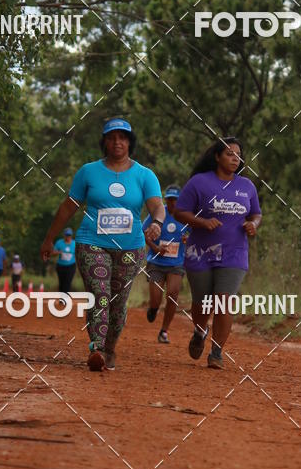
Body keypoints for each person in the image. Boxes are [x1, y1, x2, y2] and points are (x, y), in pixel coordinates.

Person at [40, 116, 165, 372]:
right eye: (111, 138)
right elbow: (68, 207)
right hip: (91, 242)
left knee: (118, 303)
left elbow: (156, 206)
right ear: (104, 143)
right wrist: (49, 237)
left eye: (122, 137)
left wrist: (157, 223)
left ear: (130, 142)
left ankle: (110, 349)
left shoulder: (144, 175)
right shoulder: (88, 172)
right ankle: (96, 348)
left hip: (130, 247)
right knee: (100, 295)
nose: (117, 142)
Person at [174, 137, 262, 370]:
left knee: (224, 301)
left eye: (238, 154)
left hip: (234, 252)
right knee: (202, 303)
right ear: (217, 156)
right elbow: (180, 212)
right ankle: (199, 331)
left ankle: (216, 352)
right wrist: (202, 222)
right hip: (199, 251)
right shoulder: (199, 183)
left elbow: (256, 214)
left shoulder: (247, 186)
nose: (235, 158)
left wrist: (253, 224)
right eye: (229, 153)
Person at [142, 185, 189, 344]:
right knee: (156, 299)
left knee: (173, 296)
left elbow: (193, 235)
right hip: (156, 261)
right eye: (170, 199)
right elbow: (144, 233)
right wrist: (155, 247)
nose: (173, 202)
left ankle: (164, 331)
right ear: (166, 199)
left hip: (176, 263)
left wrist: (187, 240)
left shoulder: (186, 216)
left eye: (176, 199)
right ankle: (153, 308)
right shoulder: (158, 214)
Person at [52, 228, 77, 293]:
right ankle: (62, 298)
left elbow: (78, 254)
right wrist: (58, 252)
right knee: (61, 283)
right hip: (60, 266)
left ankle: (66, 298)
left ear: (71, 235)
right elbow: (53, 253)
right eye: (66, 235)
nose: (68, 237)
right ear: (64, 235)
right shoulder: (59, 242)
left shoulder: (75, 244)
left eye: (69, 235)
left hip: (71, 266)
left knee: (68, 282)